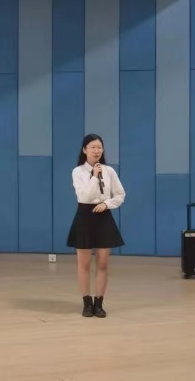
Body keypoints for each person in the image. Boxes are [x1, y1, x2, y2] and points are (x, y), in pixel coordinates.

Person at [66, 133, 125, 318]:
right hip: (85, 216)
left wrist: (107, 204)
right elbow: (85, 196)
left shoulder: (109, 171)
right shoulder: (78, 172)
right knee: (83, 264)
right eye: (92, 147)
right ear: (85, 150)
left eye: (99, 147)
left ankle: (99, 303)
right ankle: (87, 303)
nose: (96, 151)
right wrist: (94, 176)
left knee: (103, 263)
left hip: (103, 217)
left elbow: (120, 195)